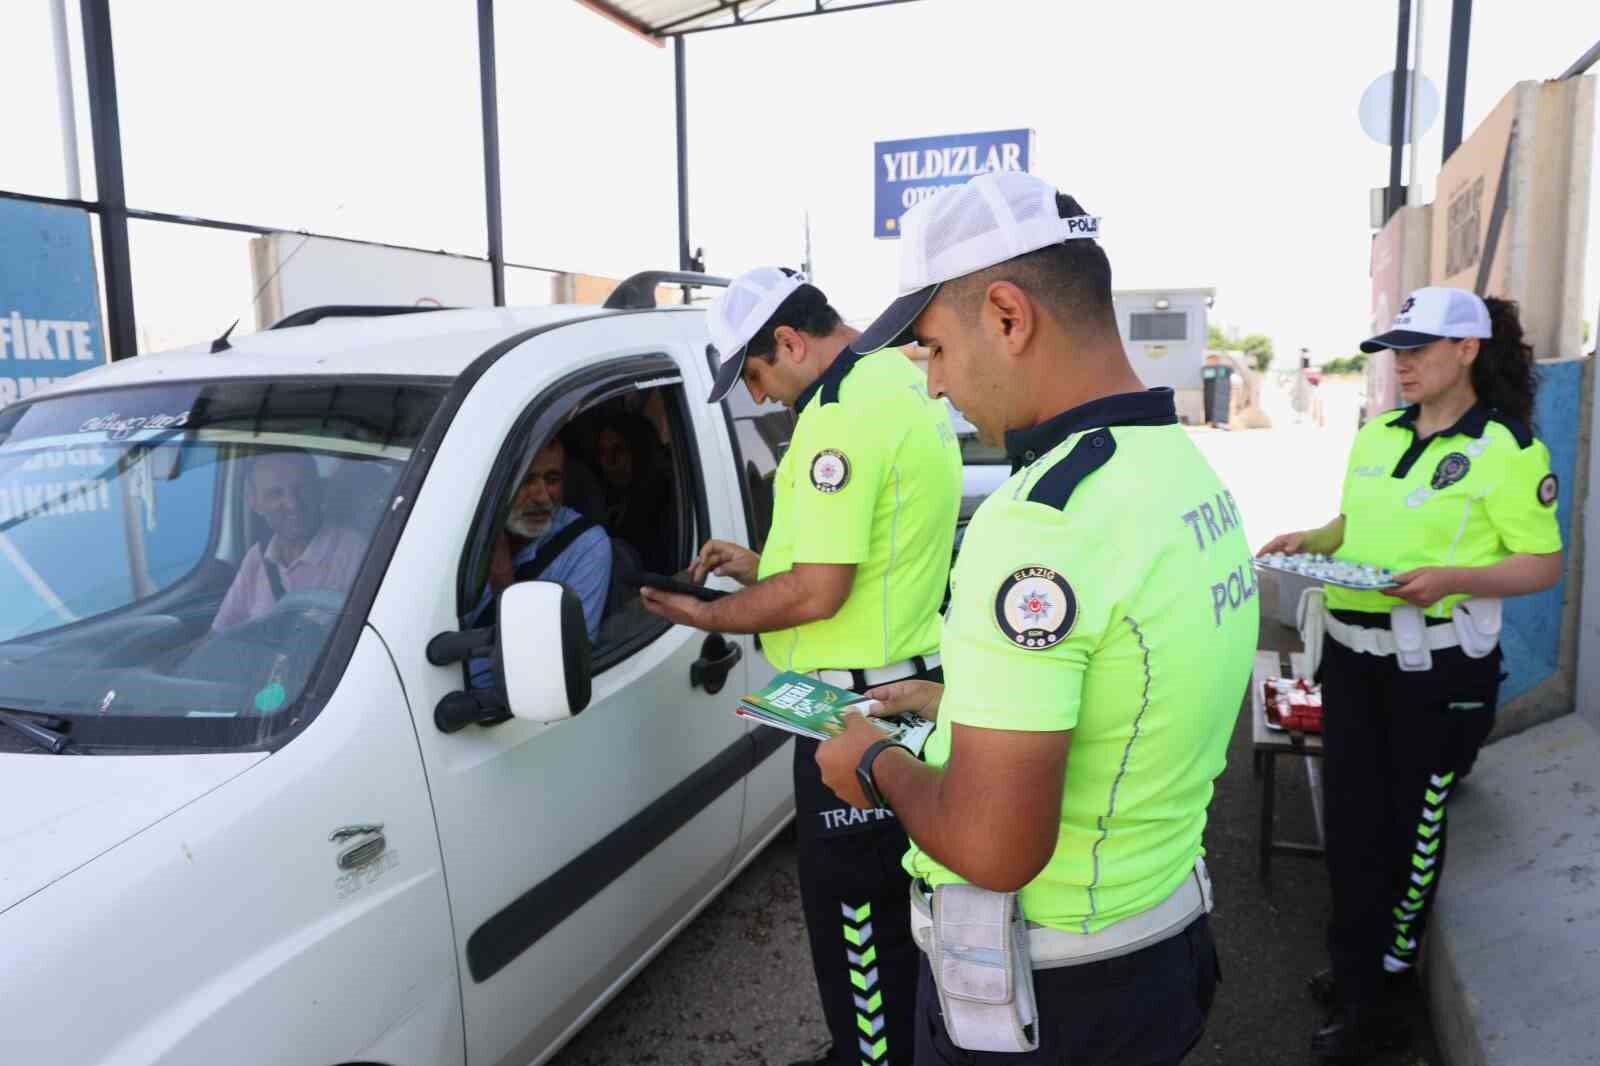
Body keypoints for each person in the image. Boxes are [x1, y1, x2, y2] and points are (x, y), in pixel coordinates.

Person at [815, 171, 1256, 1066]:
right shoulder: (1177, 470)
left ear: (1009, 317)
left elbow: (994, 844)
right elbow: (1139, 682)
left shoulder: (1041, 520)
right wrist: (964, 703)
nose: (934, 387)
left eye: (934, 349)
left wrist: (875, 760)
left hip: (1049, 998)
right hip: (1155, 947)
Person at [640, 266, 961, 1066]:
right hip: (885, 685)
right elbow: (871, 555)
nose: (762, 395)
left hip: (848, 709)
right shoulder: (897, 381)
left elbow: (820, 590)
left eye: (756, 374)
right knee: (896, 915)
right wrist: (760, 566)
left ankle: (870, 1054)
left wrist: (706, 612)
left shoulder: (837, 416)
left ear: (788, 340)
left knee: (860, 919)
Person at [1258, 286, 1564, 1063]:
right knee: (1356, 830)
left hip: (1441, 676)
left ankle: (1385, 994)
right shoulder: (1377, 434)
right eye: (1396, 349)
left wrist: (1453, 578)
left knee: (1408, 834)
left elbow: (1542, 564)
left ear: (1468, 350)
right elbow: (1358, 525)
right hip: (1357, 665)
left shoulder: (1508, 448)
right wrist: (1317, 539)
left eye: (1419, 348)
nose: (1403, 365)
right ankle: (1358, 973)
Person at [465, 434, 611, 689]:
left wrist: (503, 584)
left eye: (552, 480)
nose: (542, 496)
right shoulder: (461, 530)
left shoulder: (585, 546)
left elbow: (556, 672)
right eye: (526, 480)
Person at [213, 450, 365, 631]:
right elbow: (220, 632)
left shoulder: (356, 552)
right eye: (275, 494)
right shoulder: (258, 557)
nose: (292, 504)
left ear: (319, 490)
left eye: (301, 488)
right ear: (254, 503)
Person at [595, 412, 674, 573]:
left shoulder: (663, 504)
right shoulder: (614, 502)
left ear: (639, 451)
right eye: (603, 452)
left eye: (618, 450)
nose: (609, 461)